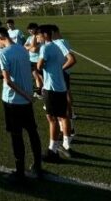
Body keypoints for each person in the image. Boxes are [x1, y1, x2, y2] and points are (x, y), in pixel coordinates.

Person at [0, 27, 43, 182]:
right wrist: (28, 95)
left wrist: (26, 94)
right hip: (26, 101)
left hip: (13, 101)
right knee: (32, 132)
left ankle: (19, 173)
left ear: (0, 38)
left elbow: (7, 81)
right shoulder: (22, 49)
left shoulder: (3, 53)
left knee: (16, 136)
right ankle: (38, 166)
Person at [37, 25, 72, 161]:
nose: (37, 38)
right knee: (63, 116)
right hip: (61, 86)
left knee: (51, 119)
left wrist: (41, 65)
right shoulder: (58, 47)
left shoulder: (45, 48)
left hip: (51, 87)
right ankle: (65, 145)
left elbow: (39, 66)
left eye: (38, 35)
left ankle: (52, 150)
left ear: (45, 35)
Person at [51, 25, 78, 135]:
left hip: (62, 75)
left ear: (54, 32)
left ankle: (69, 128)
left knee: (64, 102)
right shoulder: (61, 41)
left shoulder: (60, 42)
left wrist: (60, 70)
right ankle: (68, 126)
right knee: (65, 99)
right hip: (62, 75)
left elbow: (71, 59)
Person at [24, 23, 43, 98]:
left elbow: (35, 50)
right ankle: (39, 92)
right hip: (31, 60)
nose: (30, 31)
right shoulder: (29, 38)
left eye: (31, 29)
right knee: (36, 77)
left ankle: (46, 92)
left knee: (42, 78)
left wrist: (29, 47)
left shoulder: (40, 38)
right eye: (29, 29)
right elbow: (24, 46)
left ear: (36, 29)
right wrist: (30, 47)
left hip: (39, 60)